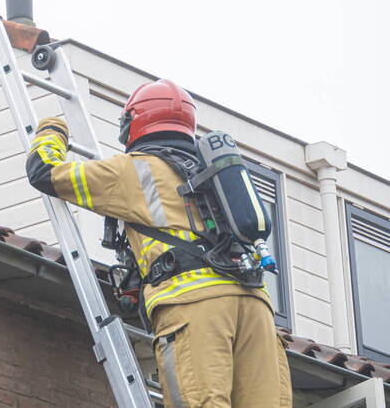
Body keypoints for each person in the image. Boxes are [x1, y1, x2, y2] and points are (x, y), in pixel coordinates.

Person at [26, 78, 291, 407]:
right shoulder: (212, 172)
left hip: (194, 305)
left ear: (133, 124)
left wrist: (52, 128)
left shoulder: (132, 170)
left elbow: (45, 172)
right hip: (256, 306)